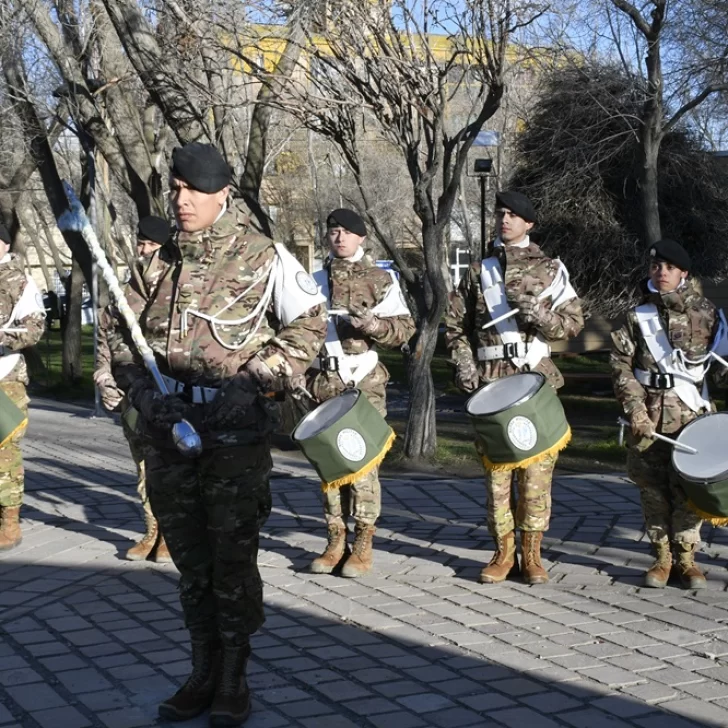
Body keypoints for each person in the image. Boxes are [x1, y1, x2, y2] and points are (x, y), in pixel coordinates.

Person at [109, 142, 327, 726]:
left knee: (232, 560)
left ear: (223, 194)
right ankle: (201, 668)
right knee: (191, 561)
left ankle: (234, 674)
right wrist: (143, 394)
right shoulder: (156, 264)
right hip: (169, 433)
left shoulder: (264, 256)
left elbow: (310, 323)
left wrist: (257, 378)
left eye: (193, 191)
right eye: (175, 189)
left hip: (231, 437)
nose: (181, 200)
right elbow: (121, 336)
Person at [444, 191, 584, 585]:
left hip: (534, 380)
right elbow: (455, 327)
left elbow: (573, 324)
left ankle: (533, 554)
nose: (504, 219)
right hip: (491, 381)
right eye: (501, 213)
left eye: (513, 215)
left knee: (537, 474)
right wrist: (464, 365)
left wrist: (539, 315)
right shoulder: (478, 270)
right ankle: (503, 553)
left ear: (529, 224)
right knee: (498, 477)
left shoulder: (551, 270)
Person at [611, 239, 726, 589]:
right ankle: (662, 558)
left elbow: (721, 369)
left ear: (683, 274)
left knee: (689, 492)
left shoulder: (708, 315)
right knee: (653, 490)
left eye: (668, 268)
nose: (660, 273)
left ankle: (688, 560)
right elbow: (620, 366)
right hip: (648, 418)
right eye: (655, 267)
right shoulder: (636, 316)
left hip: (691, 417)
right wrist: (635, 410)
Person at [306, 209, 414, 578]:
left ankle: (363, 541)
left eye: (346, 232)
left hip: (364, 381)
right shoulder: (313, 280)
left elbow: (404, 329)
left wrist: (374, 325)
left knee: (363, 462)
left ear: (361, 238)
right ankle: (335, 538)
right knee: (330, 464)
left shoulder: (380, 280)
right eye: (333, 230)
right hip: (326, 381)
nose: (339, 237)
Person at [94, 215, 173, 563]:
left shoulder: (172, 291)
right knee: (141, 463)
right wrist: (103, 376)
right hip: (130, 391)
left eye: (151, 246)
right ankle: (151, 529)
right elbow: (105, 333)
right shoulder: (124, 290)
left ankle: (171, 532)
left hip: (165, 389)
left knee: (166, 463)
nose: (144, 251)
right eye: (141, 244)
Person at [0, 222, 46, 550]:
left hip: (5, 378)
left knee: (4, 453)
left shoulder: (20, 281)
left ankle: (10, 522)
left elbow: (33, 330)